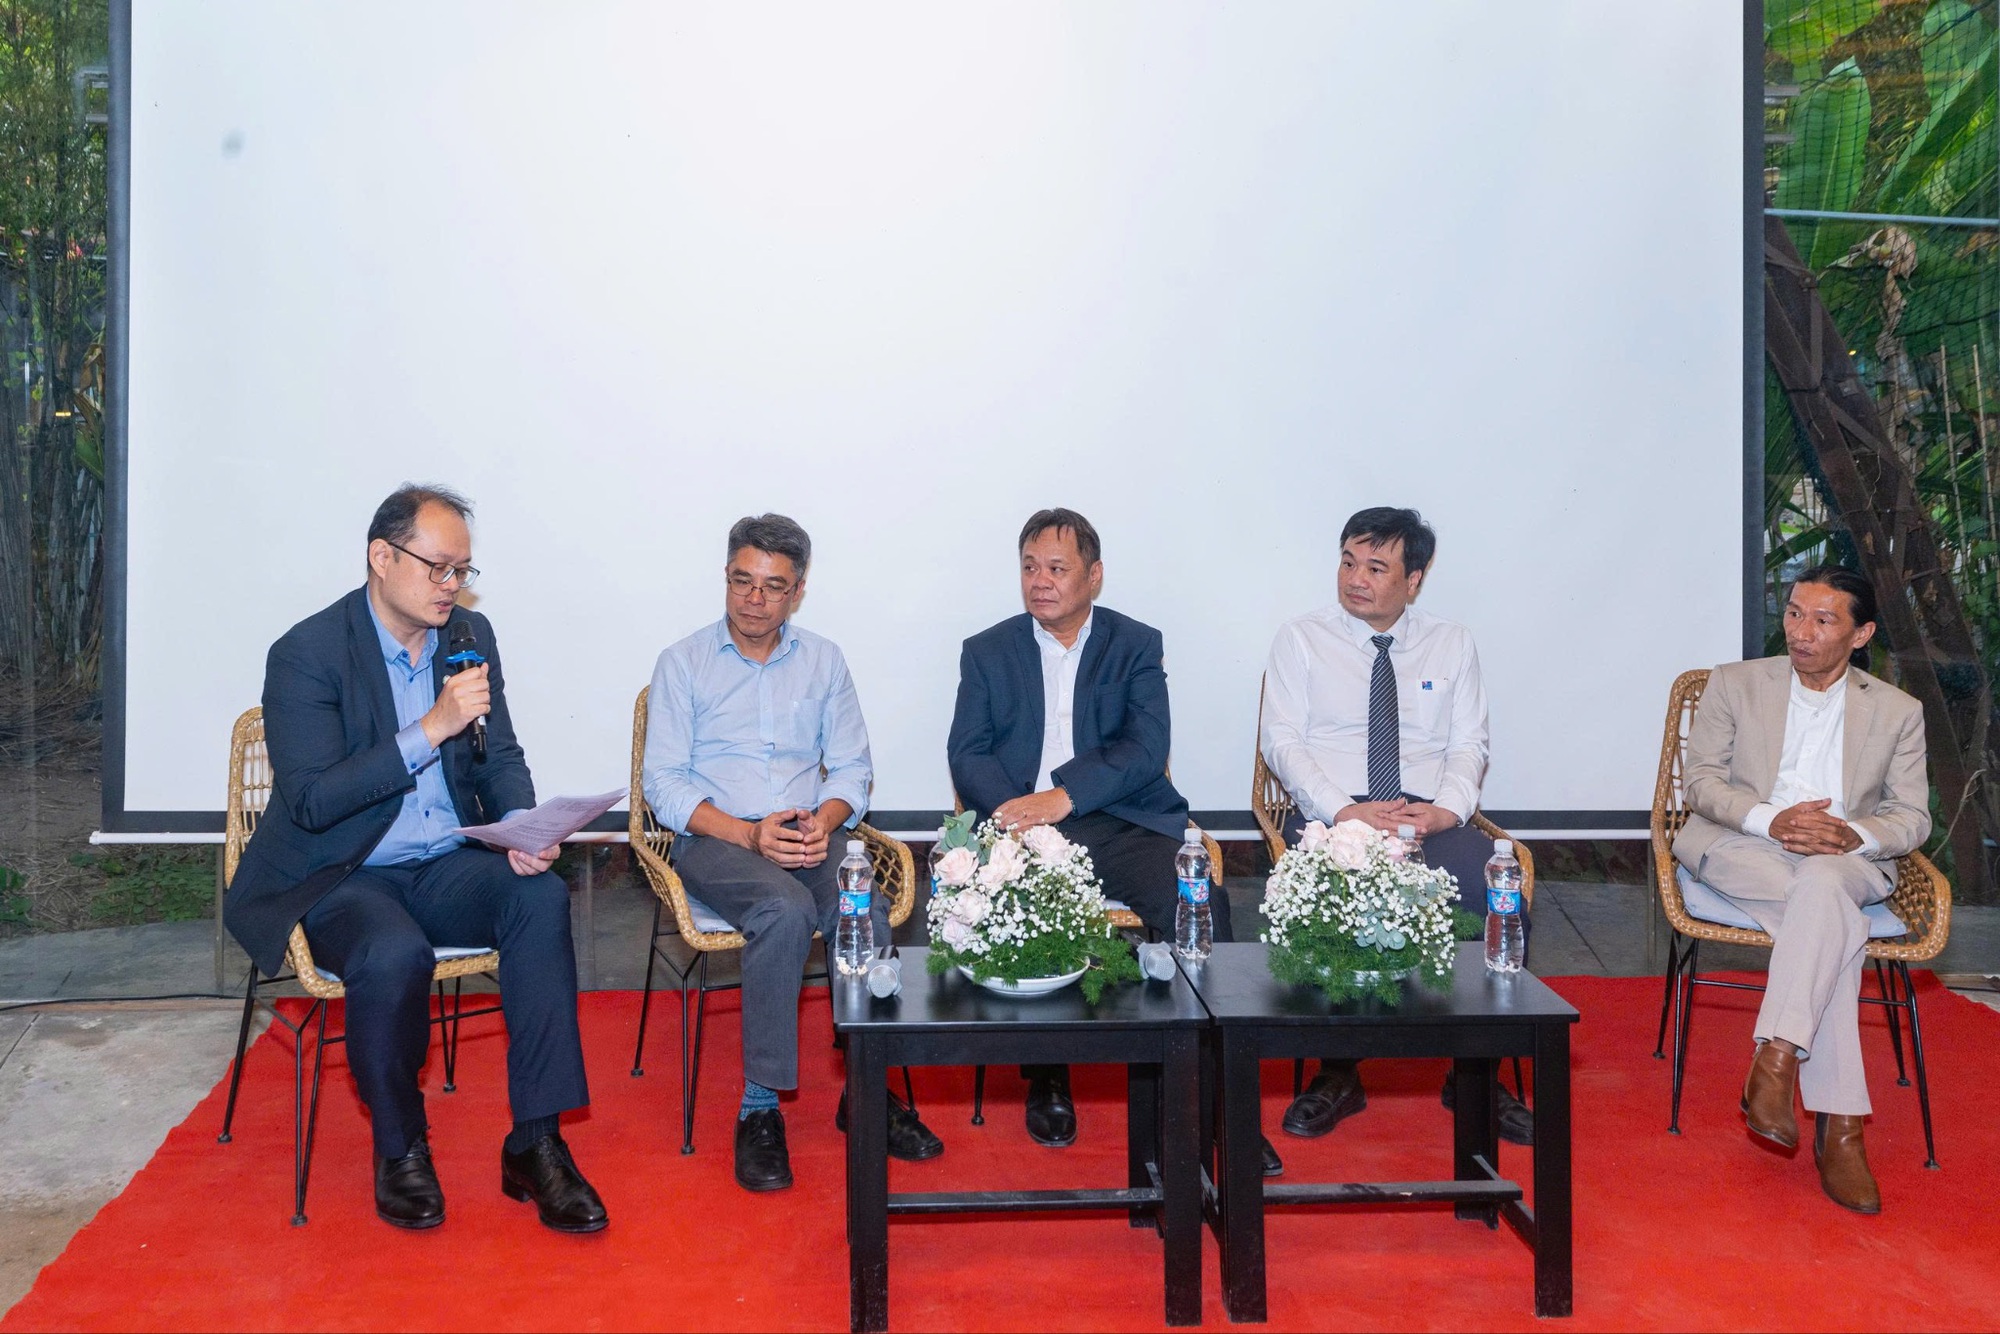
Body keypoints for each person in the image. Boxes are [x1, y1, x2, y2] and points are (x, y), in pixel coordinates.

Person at [224, 484, 607, 1234]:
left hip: (445, 861)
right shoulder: (307, 653)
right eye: (438, 568)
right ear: (381, 557)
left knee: (540, 899)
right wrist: (429, 727)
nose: (451, 585)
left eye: (462, 570)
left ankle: (536, 1144)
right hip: (345, 870)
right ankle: (400, 1145)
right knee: (393, 953)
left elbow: (498, 754)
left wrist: (521, 828)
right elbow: (313, 800)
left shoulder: (468, 635)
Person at [643, 513, 944, 1194]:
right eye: (742, 581)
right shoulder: (682, 662)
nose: (754, 599)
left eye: (773, 586)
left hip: (811, 830)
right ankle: (759, 1107)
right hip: (717, 837)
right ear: (725, 577)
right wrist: (748, 834)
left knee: (859, 904)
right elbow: (663, 784)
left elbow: (852, 769)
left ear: (798, 591)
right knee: (782, 910)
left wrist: (824, 822)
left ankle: (866, 1086)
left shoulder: (824, 660)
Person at [949, 508, 1260, 1159]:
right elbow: (967, 752)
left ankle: (1219, 1098)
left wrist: (1063, 797)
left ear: (1093, 576)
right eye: (1029, 567)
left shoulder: (1135, 643)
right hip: (1022, 826)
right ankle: (1048, 1078)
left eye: (1056, 568)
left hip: (1120, 820)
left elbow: (1146, 748)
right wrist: (1017, 812)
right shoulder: (987, 650)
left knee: (1198, 901)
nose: (1040, 581)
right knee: (1029, 909)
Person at [1259, 506, 1532, 1146]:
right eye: (1348, 562)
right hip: (1336, 816)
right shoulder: (1301, 638)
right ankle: (1336, 1071)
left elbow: (1469, 743)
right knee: (1328, 891)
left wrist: (1447, 811)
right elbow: (1283, 742)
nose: (1356, 579)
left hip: (1425, 815)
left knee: (1498, 890)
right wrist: (1342, 810)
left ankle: (1476, 1070)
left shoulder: (1451, 642)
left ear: (1414, 579)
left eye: (1376, 568)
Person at [1673, 566, 1928, 1215]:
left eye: (1822, 619)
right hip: (1744, 844)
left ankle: (1779, 1054)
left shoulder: (1898, 712)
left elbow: (1911, 817)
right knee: (1829, 919)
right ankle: (1839, 1129)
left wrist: (1852, 835)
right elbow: (1700, 782)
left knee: (1822, 888)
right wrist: (1772, 821)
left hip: (1844, 859)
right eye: (1793, 613)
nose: (1800, 631)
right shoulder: (1736, 683)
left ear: (1861, 634)